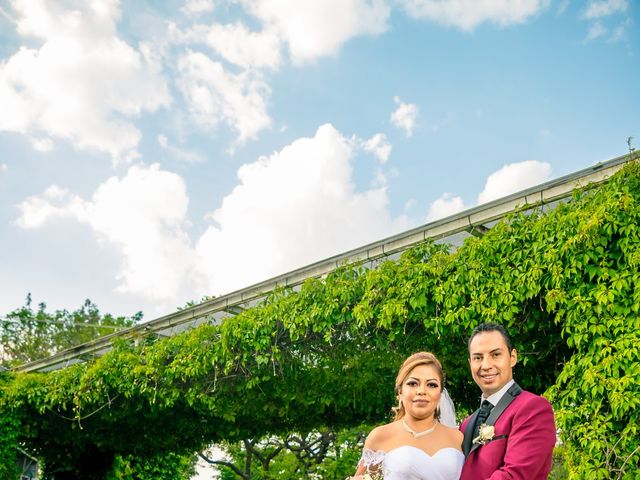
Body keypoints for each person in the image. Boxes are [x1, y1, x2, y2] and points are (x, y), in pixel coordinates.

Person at [460, 323, 556, 479]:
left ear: (512, 358)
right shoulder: (466, 424)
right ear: (470, 363)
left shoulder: (533, 408)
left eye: (495, 355)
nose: (486, 365)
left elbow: (514, 475)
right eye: (478, 358)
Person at [351, 352, 464, 479]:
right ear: (400, 392)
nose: (421, 391)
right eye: (413, 383)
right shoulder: (380, 436)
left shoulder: (458, 438)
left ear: (440, 394)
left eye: (431, 385)